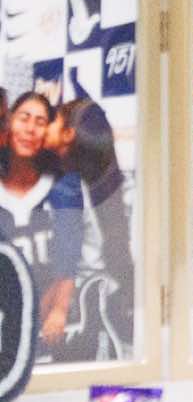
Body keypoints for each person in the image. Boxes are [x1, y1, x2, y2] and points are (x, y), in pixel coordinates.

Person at [45, 98, 133, 360]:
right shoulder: (107, 187)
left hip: (76, 313)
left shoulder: (71, 193)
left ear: (68, 135)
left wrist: (57, 305)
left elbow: (72, 258)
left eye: (53, 119)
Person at [0, 94, 83, 358]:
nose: (30, 129)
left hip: (47, 319)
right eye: (24, 118)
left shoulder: (63, 188)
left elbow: (69, 259)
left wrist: (59, 309)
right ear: (9, 123)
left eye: (40, 122)